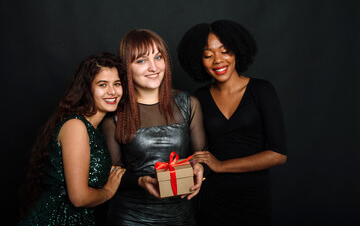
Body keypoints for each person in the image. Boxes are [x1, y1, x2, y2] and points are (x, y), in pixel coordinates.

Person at [177, 19, 287, 225]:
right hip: (213, 199)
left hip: (253, 199)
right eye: (208, 55)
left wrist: (221, 165)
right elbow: (196, 151)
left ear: (237, 50)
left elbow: (278, 154)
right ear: (198, 61)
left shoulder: (262, 90)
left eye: (225, 51)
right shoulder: (198, 97)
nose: (217, 60)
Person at [101, 29, 206, 226]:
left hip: (182, 216)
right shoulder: (115, 113)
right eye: (141, 61)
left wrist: (200, 168)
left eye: (158, 57)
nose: (153, 67)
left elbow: (201, 155)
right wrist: (139, 181)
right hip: (131, 217)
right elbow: (112, 171)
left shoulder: (189, 104)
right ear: (126, 67)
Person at [18, 52, 127, 225]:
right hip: (56, 219)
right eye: (102, 84)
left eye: (117, 84)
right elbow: (79, 198)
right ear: (87, 89)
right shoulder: (76, 126)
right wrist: (108, 191)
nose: (112, 91)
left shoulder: (95, 129)